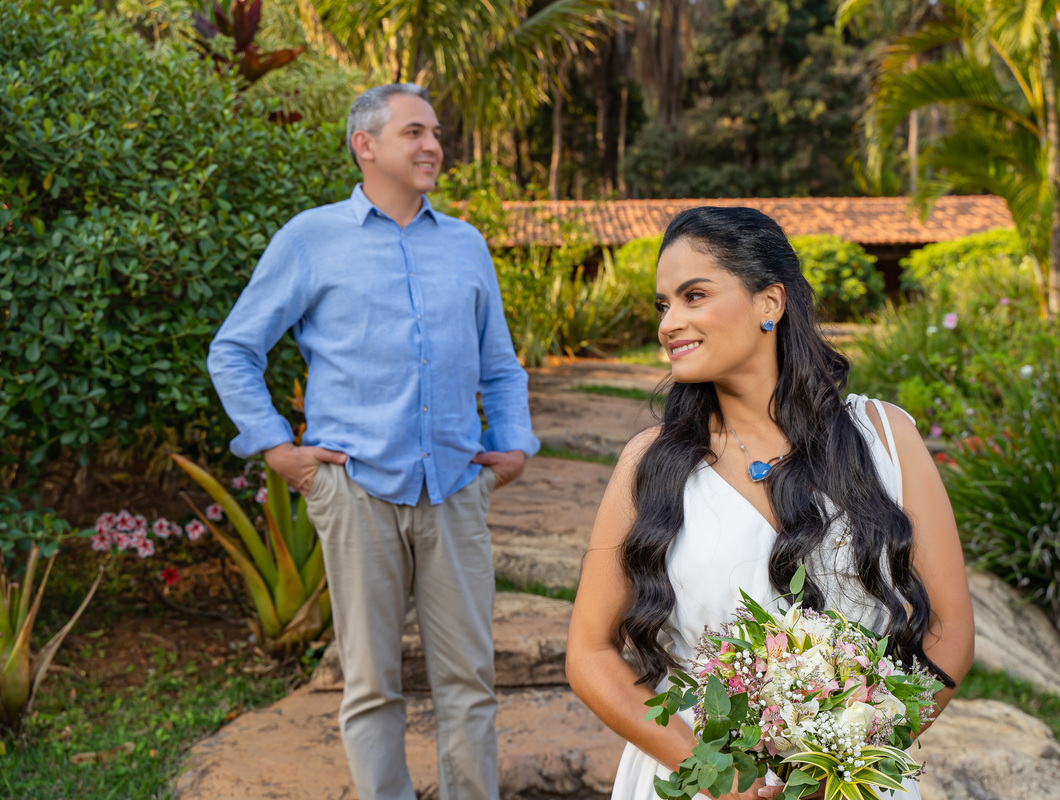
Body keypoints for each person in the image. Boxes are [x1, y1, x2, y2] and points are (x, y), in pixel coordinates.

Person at [565, 207, 974, 800]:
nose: (669, 323)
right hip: (698, 782)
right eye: (663, 305)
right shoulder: (648, 464)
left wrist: (843, 761)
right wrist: (716, 771)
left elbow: (950, 628)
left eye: (694, 296)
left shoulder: (884, 439)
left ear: (770, 303)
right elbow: (589, 651)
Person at [207, 83, 539, 800]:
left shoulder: (465, 244)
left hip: (455, 489)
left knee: (470, 684)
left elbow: (499, 363)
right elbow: (234, 349)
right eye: (414, 132)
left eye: (436, 133)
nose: (432, 146)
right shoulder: (311, 238)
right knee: (370, 684)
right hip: (354, 491)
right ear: (366, 145)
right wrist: (278, 451)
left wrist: (512, 445)